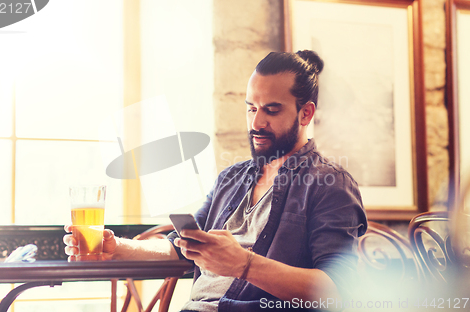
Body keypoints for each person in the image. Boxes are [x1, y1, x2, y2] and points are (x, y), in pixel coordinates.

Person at [64, 50, 367, 311]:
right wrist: (115, 247)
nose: (256, 122)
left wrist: (244, 265)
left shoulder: (331, 185)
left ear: (306, 113)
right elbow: (181, 246)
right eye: (251, 108)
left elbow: (338, 293)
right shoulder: (231, 178)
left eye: (271, 110)